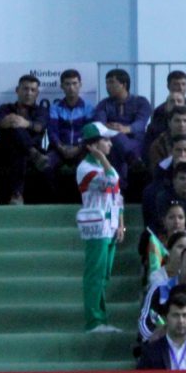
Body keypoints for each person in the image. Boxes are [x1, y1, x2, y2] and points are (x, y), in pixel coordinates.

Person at [76, 121, 125, 332]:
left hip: (111, 225)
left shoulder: (104, 166)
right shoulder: (85, 168)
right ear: (92, 145)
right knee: (95, 274)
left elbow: (117, 196)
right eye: (105, 140)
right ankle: (93, 321)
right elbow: (111, 183)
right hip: (96, 226)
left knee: (104, 276)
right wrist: (103, 159)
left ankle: (101, 320)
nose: (110, 145)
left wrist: (121, 224)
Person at [0, 74, 50, 204]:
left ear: (37, 93)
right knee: (13, 124)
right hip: (5, 152)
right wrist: (3, 123)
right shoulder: (5, 108)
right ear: (17, 90)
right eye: (25, 89)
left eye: (32, 90)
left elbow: (40, 126)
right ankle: (32, 153)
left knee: (18, 146)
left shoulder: (41, 110)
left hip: (27, 151)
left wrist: (26, 123)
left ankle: (17, 194)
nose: (28, 93)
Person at [93, 68, 151, 188]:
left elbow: (141, 123)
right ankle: (133, 160)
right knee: (116, 140)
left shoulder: (141, 101)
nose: (107, 86)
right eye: (106, 83)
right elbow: (99, 123)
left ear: (124, 84)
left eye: (111, 82)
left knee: (116, 146)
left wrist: (126, 129)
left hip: (136, 141)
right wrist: (114, 130)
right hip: (114, 142)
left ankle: (120, 187)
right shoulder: (104, 104)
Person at [47, 68, 95, 195]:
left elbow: (89, 132)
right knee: (47, 164)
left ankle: (84, 199)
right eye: (67, 84)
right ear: (61, 86)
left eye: (74, 83)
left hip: (82, 149)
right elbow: (52, 131)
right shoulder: (55, 108)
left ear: (80, 85)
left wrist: (79, 148)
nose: (71, 87)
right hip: (59, 149)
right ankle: (53, 199)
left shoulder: (88, 107)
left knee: (88, 167)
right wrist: (61, 147)